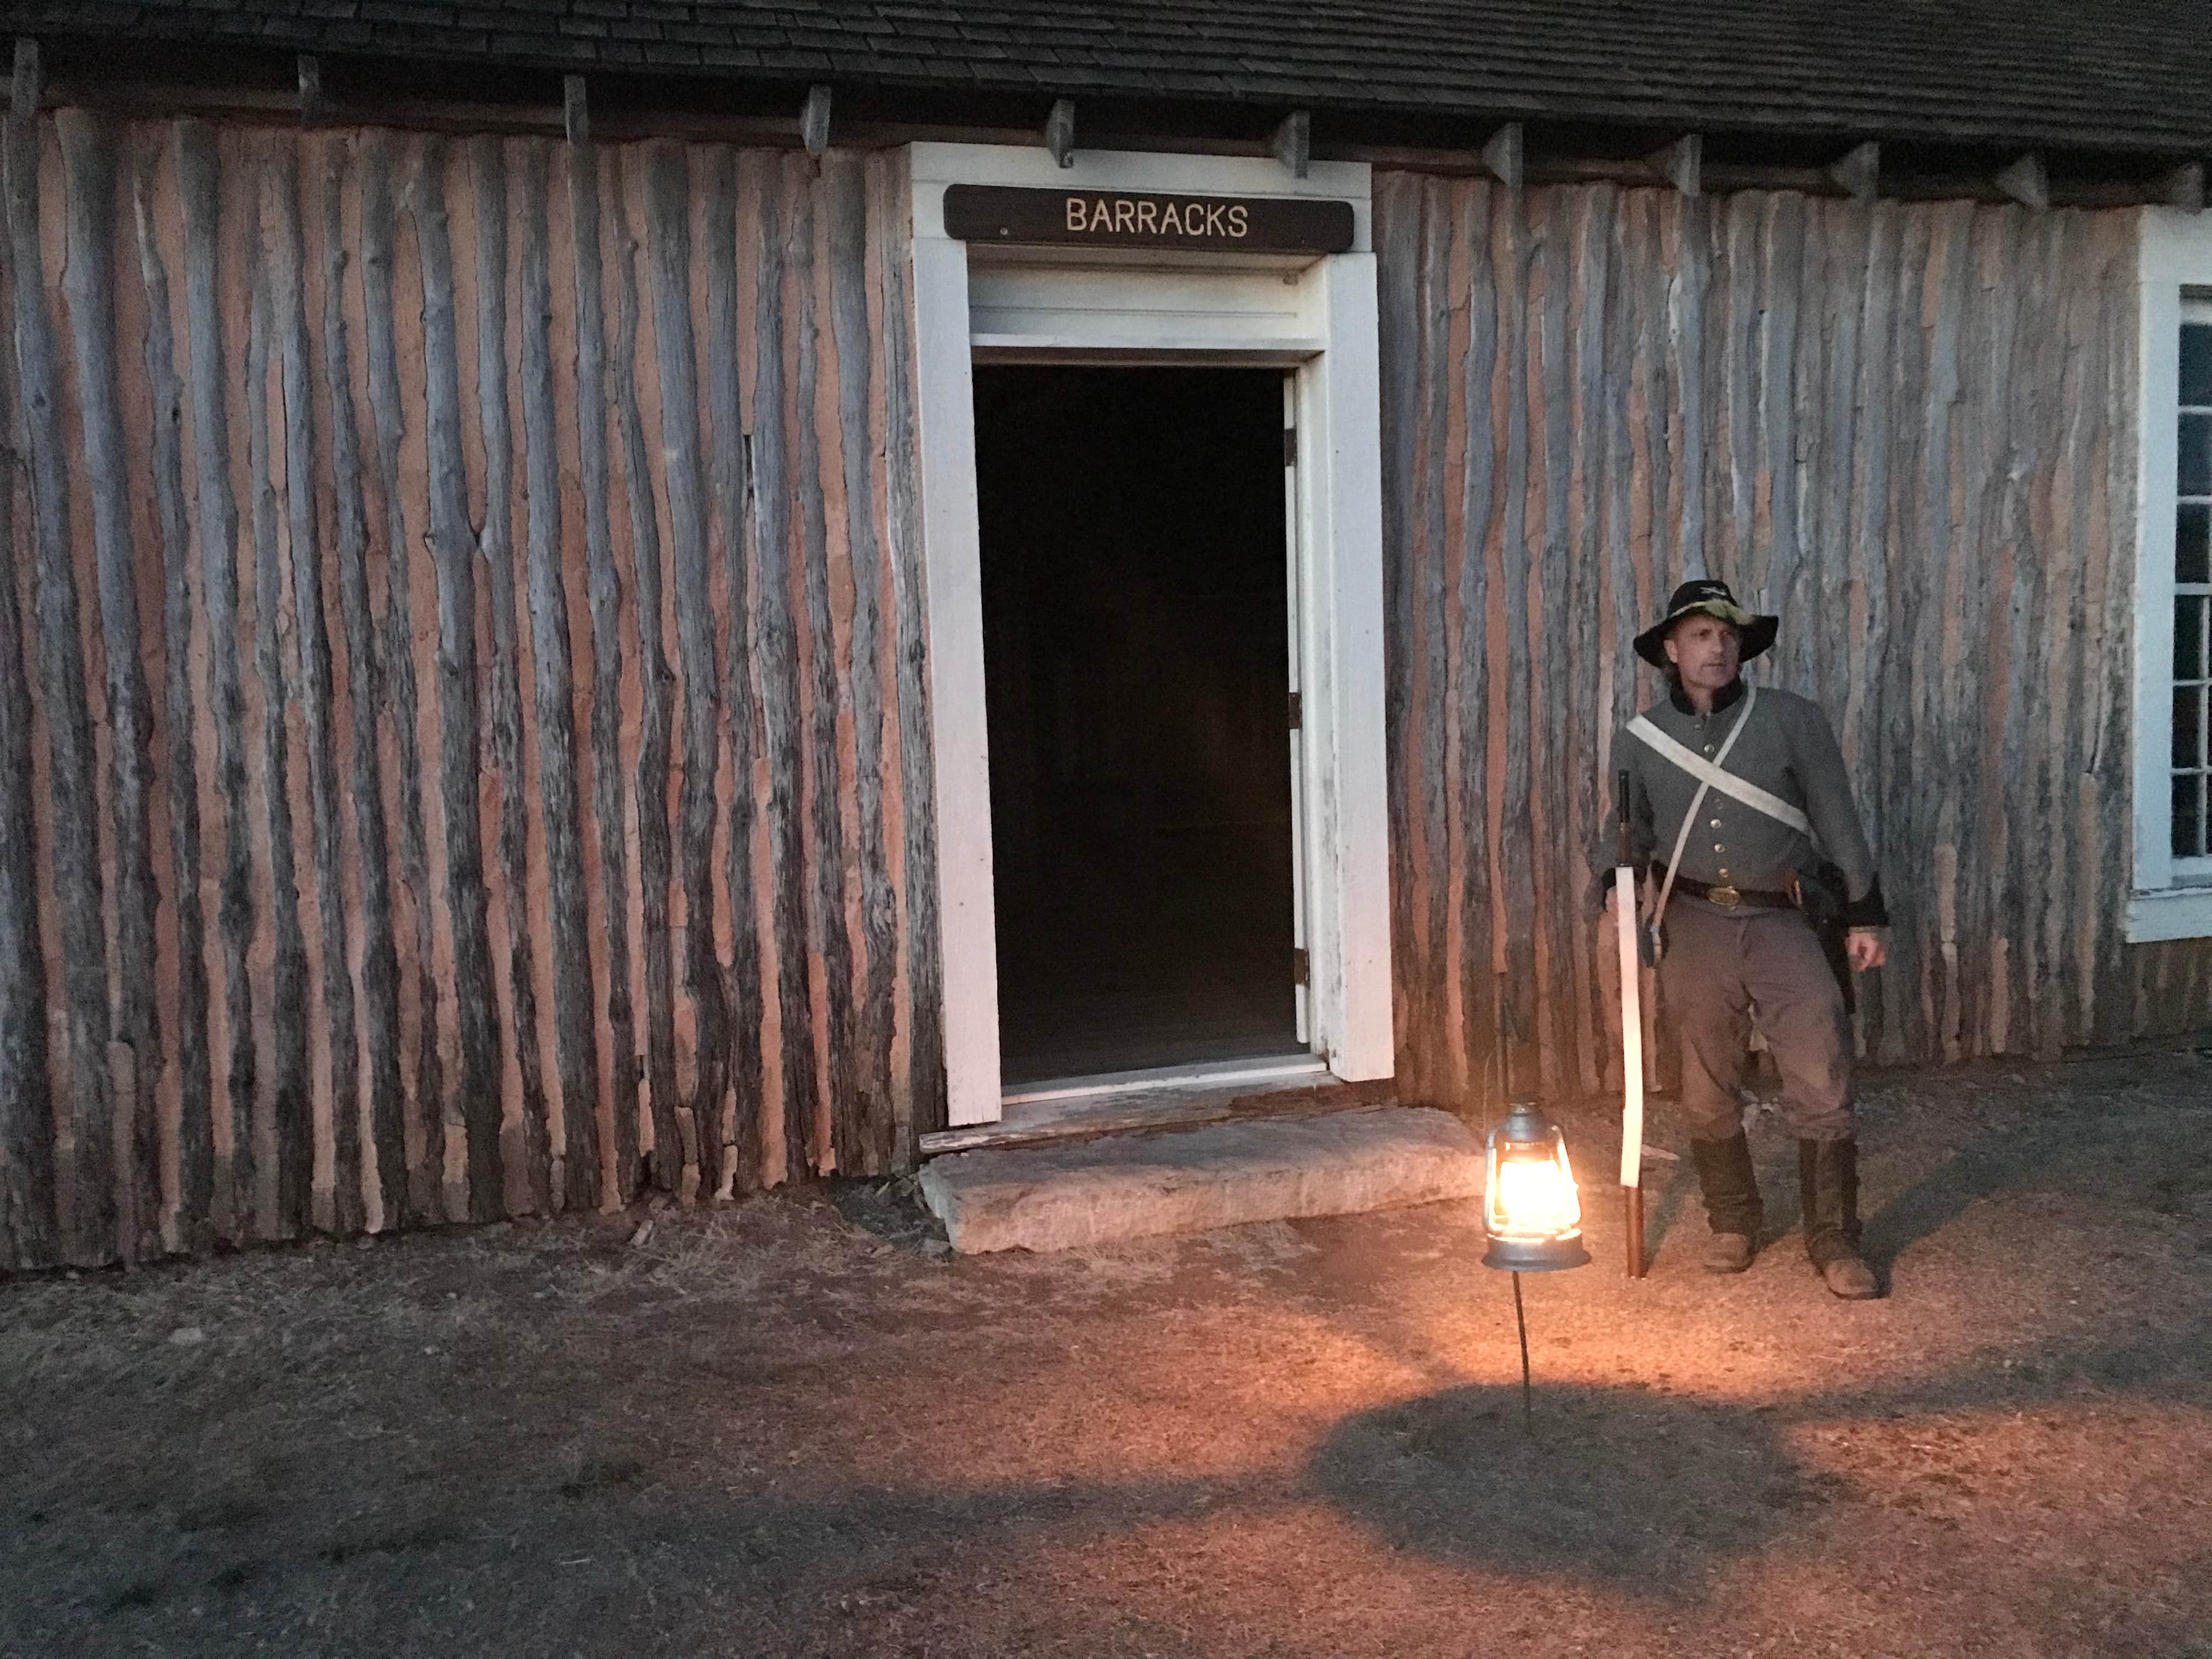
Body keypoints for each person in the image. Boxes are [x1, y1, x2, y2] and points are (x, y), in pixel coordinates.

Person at [1603, 579, 1889, 1299]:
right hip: (1694, 926)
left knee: (1821, 1072)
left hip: (1785, 921)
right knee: (1704, 1083)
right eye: (1701, 634)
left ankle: (1834, 1238)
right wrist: (1614, 889)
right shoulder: (1638, 740)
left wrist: (1864, 913)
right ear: (1671, 649)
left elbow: (1839, 821)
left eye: (1728, 634)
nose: (1718, 646)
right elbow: (1623, 830)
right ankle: (1734, 1222)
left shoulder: (1793, 720)